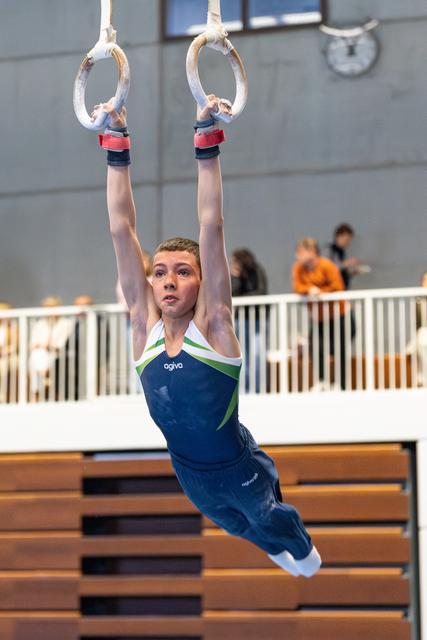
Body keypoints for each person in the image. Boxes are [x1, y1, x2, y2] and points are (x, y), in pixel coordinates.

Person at [96, 96, 321, 578]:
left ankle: (297, 546)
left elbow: (211, 223)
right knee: (233, 526)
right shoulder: (143, 325)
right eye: (159, 273)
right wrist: (116, 142)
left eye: (183, 272)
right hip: (189, 474)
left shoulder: (214, 325)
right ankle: (270, 545)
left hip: (238, 468)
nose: (168, 281)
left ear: (203, 283)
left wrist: (206, 136)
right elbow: (120, 228)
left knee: (266, 518)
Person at [292, 238, 355, 390]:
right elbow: (298, 286)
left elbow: (338, 287)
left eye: (301, 252)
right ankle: (321, 381)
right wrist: (310, 290)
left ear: (312, 252)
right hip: (318, 318)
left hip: (339, 315)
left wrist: (321, 292)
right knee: (316, 347)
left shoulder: (327, 265)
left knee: (340, 348)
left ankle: (341, 384)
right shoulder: (298, 268)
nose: (297, 256)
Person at [231, 248, 268, 392]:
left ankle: (259, 388)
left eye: (236, 260)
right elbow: (232, 293)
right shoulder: (235, 275)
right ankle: (246, 388)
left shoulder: (257, 271)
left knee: (258, 354)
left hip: (258, 319)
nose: (234, 264)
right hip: (242, 320)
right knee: (243, 355)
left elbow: (262, 292)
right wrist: (235, 277)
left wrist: (244, 296)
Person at [326, 223, 361, 290]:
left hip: (341, 290)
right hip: (331, 292)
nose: (348, 243)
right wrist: (346, 263)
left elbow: (339, 272)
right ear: (339, 236)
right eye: (346, 240)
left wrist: (351, 273)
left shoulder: (341, 252)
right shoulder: (330, 250)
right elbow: (327, 269)